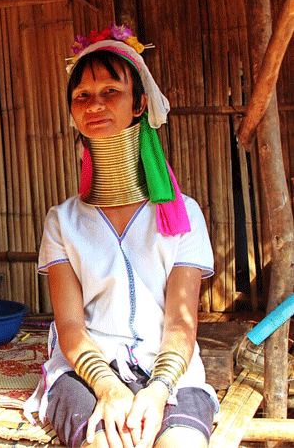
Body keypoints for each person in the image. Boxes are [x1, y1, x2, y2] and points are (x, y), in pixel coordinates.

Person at [23, 26, 219, 448]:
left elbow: (182, 324)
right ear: (73, 111)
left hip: (170, 370)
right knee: (106, 442)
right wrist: (109, 389)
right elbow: (71, 326)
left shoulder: (184, 214)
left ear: (139, 104)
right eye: (82, 96)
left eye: (110, 91)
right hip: (84, 372)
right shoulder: (63, 222)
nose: (94, 104)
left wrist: (158, 389)